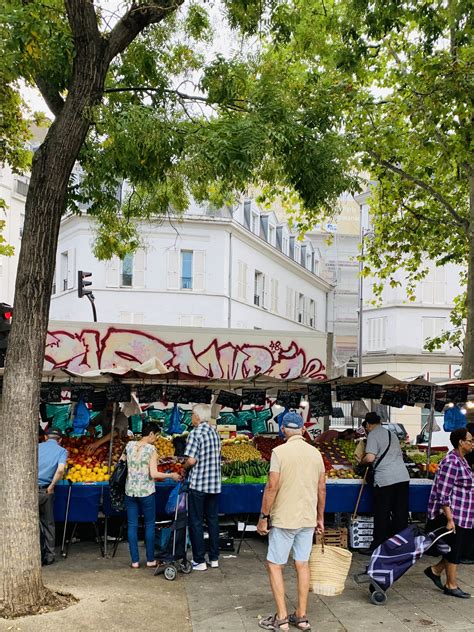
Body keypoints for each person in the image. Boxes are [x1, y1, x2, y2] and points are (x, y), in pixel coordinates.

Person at [257, 411, 326, 632]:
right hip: (307, 518)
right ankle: (302, 617)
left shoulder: (279, 452)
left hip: (285, 518)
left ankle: (283, 618)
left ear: (284, 429)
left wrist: (263, 517)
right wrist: (320, 518)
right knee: (302, 564)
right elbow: (322, 488)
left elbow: (272, 486)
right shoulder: (316, 453)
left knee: (275, 565)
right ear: (302, 429)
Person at [424, 426, 474, 597]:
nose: (472, 443)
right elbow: (443, 493)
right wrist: (450, 519)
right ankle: (451, 585)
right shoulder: (451, 462)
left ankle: (435, 571)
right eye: (470, 441)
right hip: (454, 515)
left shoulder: (462, 460)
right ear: (461, 443)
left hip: (464, 514)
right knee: (454, 550)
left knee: (458, 549)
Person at [123, 422, 180, 568]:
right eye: (156, 435)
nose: (156, 438)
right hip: (146, 492)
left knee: (132, 525)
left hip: (130, 491)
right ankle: (150, 560)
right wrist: (171, 475)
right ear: (151, 434)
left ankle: (134, 561)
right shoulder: (151, 449)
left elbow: (122, 464)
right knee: (149, 525)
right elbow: (153, 474)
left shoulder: (129, 446)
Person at [361, 411, 409, 551]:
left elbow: (370, 458)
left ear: (368, 425)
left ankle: (378, 545)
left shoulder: (373, 434)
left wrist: (361, 462)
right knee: (400, 514)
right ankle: (400, 545)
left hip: (386, 479)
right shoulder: (391, 434)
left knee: (382, 513)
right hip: (402, 477)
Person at [184, 403, 221, 571]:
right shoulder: (214, 432)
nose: (191, 416)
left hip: (198, 484)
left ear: (198, 416)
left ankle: (199, 560)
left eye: (192, 414)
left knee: (196, 522)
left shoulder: (195, 433)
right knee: (213, 521)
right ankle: (214, 558)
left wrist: (183, 467)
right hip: (213, 485)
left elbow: (191, 460)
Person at [38, 428, 68, 565]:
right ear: (60, 440)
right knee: (49, 524)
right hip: (46, 491)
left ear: (45, 437)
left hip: (30, 490)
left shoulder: (36, 447)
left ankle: (36, 553)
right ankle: (49, 556)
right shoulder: (62, 451)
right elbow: (61, 469)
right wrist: (52, 486)